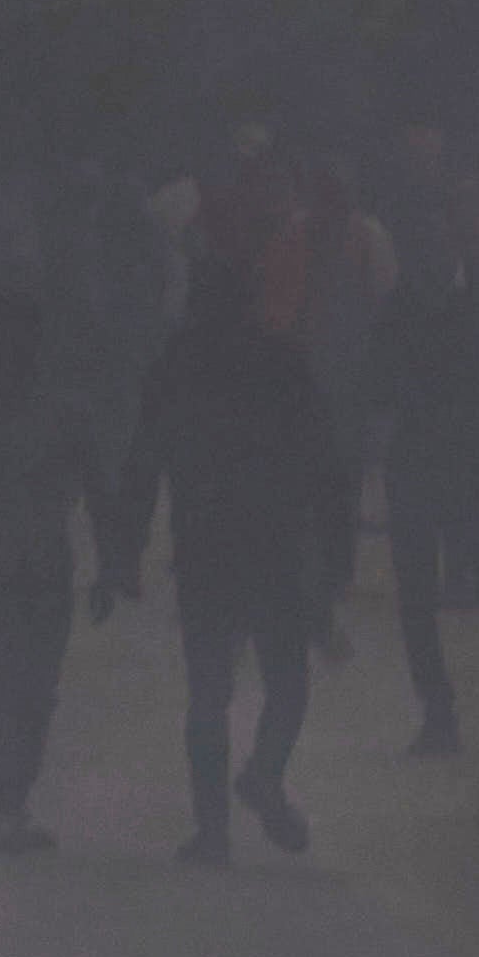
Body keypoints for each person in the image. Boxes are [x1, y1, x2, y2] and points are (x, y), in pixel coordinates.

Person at [113, 237, 344, 866]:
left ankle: (212, 830)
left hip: (207, 543)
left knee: (209, 693)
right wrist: (333, 550)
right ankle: (264, 772)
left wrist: (126, 547)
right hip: (274, 541)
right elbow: (324, 458)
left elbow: (142, 460)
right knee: (286, 682)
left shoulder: (178, 361)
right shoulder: (280, 359)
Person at [0, 284, 117, 852]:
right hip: (8, 568)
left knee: (21, 690)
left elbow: (100, 496)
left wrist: (110, 568)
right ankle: (10, 802)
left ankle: (12, 801)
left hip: (27, 569)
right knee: (7, 688)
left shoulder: (44, 415)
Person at [375, 183, 479, 758]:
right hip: (420, 460)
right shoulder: (401, 302)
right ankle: (439, 715)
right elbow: (379, 378)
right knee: (417, 598)